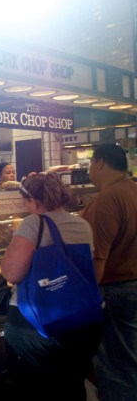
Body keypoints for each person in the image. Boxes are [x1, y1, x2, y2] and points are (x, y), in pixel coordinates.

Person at [0, 172, 102, 400]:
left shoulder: (33, 223)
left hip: (38, 324)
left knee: (35, 389)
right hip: (81, 318)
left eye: (25, 201)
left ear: (33, 200)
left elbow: (12, 272)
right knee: (70, 384)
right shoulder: (82, 224)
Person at [80, 143, 137, 401]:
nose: (90, 168)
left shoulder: (107, 199)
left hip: (114, 292)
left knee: (115, 370)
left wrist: (84, 300)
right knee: (129, 363)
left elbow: (96, 258)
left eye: (91, 162)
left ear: (100, 163)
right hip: (131, 289)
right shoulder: (133, 190)